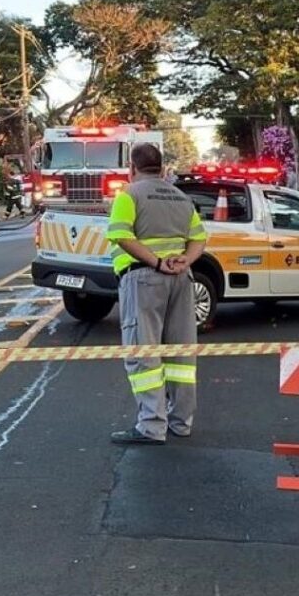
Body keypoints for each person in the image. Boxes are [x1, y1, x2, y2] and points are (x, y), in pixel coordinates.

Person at [105, 143, 207, 444]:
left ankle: (151, 426)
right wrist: (185, 261)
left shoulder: (129, 195)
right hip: (181, 279)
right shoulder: (180, 197)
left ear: (132, 168)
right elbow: (199, 239)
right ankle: (181, 422)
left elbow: (120, 235)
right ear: (162, 169)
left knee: (143, 352)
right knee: (181, 352)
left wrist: (157, 262)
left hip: (143, 280)